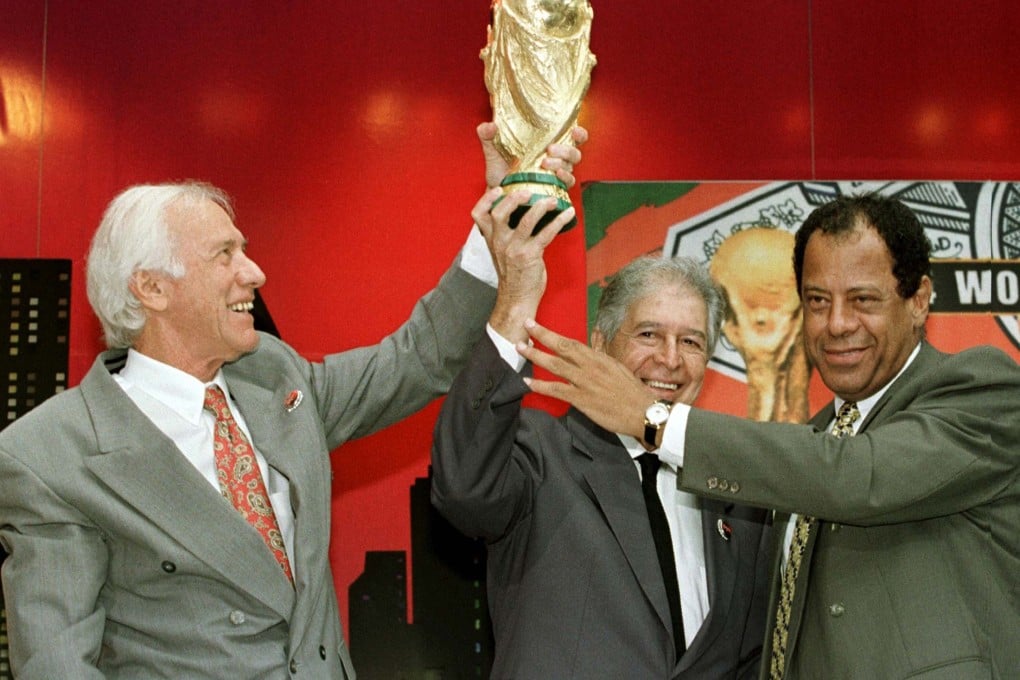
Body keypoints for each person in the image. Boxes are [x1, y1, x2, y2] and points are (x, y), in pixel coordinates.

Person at [0, 123, 584, 679]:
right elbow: (56, 665)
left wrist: (498, 224)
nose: (253, 272)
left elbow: (419, 358)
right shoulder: (51, 454)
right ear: (152, 288)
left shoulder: (273, 378)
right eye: (224, 255)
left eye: (244, 250)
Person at [516, 193, 1020, 679]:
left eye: (863, 300)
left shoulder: (980, 389)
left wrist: (656, 421)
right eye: (817, 301)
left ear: (919, 301)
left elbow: (858, 475)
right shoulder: (810, 442)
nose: (838, 324)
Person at [431, 253, 773, 678]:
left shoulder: (734, 490)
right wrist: (513, 309)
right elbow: (464, 489)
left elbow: (751, 655)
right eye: (649, 334)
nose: (670, 359)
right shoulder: (539, 452)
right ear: (599, 344)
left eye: (691, 341)